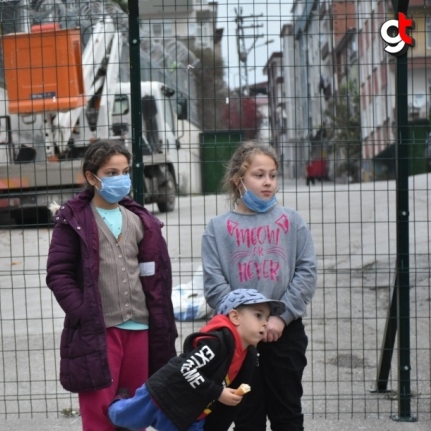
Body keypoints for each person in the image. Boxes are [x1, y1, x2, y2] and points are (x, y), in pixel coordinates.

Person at [45, 139, 177, 431]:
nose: (121, 179)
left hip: (140, 329)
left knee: (135, 413)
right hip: (98, 332)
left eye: (125, 171)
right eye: (111, 172)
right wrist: (81, 311)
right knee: (99, 414)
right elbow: (58, 272)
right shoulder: (74, 221)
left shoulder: (140, 221)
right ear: (92, 178)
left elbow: (154, 274)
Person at [201, 141, 317, 431]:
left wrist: (280, 316)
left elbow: (306, 271)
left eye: (273, 175)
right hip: (238, 341)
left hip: (285, 334)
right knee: (246, 417)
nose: (268, 182)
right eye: (259, 175)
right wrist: (246, 325)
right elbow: (215, 285)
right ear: (238, 180)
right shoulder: (217, 228)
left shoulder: (292, 221)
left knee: (287, 414)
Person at [108, 289, 287, 431]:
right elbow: (187, 369)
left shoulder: (248, 356)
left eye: (267, 317)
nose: (265, 322)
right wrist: (218, 393)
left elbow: (229, 408)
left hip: (190, 415)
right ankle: (119, 401)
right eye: (258, 315)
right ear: (235, 317)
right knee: (121, 417)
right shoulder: (217, 343)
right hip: (162, 394)